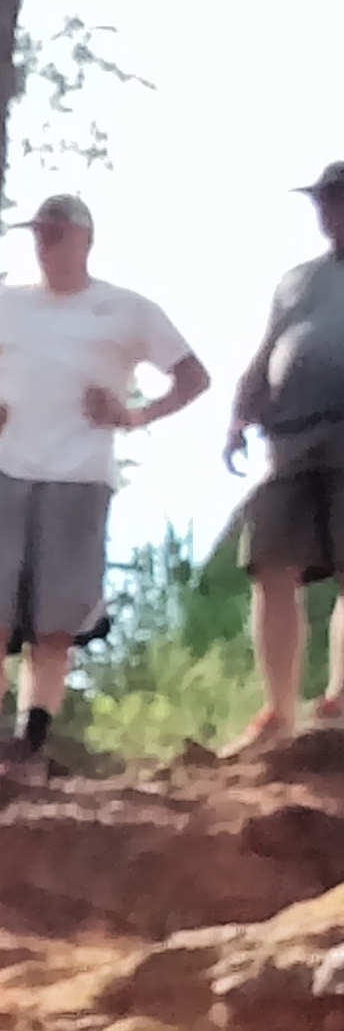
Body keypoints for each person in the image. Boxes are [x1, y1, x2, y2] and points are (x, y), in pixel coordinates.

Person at [0, 193, 208, 794]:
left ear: (84, 240)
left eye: (56, 233)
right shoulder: (4, 306)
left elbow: (192, 377)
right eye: (39, 234)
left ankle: (30, 747)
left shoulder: (126, 309)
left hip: (80, 478)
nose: (45, 244)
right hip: (4, 470)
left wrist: (133, 416)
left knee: (56, 627)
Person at [227, 160, 344, 741]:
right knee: (271, 563)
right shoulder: (297, 280)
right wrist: (240, 412)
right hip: (290, 436)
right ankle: (279, 711)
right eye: (324, 201)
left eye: (337, 200)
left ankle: (340, 700)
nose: (329, 211)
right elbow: (269, 346)